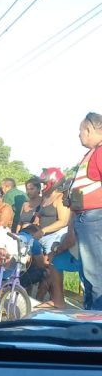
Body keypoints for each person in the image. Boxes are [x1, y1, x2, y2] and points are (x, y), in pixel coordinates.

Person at [66, 111, 102, 310]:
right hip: (86, 219)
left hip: (94, 219)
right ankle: (91, 316)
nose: (78, 135)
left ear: (88, 129)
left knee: (95, 274)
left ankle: (95, 327)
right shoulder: (91, 153)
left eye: (80, 131)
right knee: (88, 274)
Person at [34, 168, 70, 254]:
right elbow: (38, 217)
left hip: (55, 238)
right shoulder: (45, 198)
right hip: (43, 237)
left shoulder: (60, 198)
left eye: (44, 184)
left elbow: (63, 221)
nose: (42, 186)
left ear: (53, 182)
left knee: (52, 264)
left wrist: (44, 230)